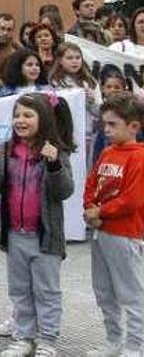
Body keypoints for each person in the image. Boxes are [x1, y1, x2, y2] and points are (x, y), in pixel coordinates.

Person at [0, 93, 75, 357]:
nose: (20, 120)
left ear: (42, 119)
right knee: (19, 289)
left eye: (27, 115)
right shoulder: (6, 149)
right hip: (14, 234)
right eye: (17, 114)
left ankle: (47, 340)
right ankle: (23, 337)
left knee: (47, 291)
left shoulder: (55, 150)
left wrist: (54, 164)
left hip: (44, 236)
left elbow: (64, 191)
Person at [84, 94, 144, 356]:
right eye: (104, 124)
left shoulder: (139, 157)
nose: (106, 130)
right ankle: (113, 339)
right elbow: (91, 183)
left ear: (133, 126)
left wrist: (101, 211)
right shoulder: (107, 152)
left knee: (130, 292)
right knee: (103, 290)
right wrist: (89, 209)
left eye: (112, 124)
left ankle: (136, 345)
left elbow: (132, 199)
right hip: (101, 232)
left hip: (124, 234)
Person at [50, 42, 102, 170]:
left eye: (78, 57)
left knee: (85, 168)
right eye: (69, 58)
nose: (74, 61)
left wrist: (90, 101)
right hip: (64, 134)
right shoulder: (54, 82)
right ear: (60, 60)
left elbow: (100, 112)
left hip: (86, 133)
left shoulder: (90, 82)